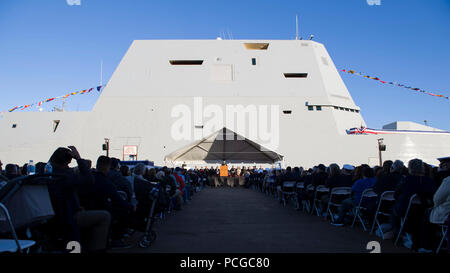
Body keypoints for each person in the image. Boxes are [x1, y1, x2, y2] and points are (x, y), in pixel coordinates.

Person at [47, 146, 111, 253]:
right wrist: (78, 158)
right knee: (105, 216)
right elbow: (89, 179)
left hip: (52, 217)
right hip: (68, 217)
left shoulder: (46, 173)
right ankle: (96, 250)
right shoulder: (64, 176)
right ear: (66, 162)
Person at [79, 156, 135, 249]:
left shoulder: (88, 177)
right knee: (123, 212)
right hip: (100, 209)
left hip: (84, 208)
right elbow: (117, 200)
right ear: (108, 167)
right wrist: (131, 207)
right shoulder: (106, 182)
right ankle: (116, 240)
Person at [391, 159, 437, 250]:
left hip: (406, 210)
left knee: (393, 210)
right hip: (425, 210)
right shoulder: (430, 181)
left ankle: (397, 234)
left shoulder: (405, 180)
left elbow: (396, 195)